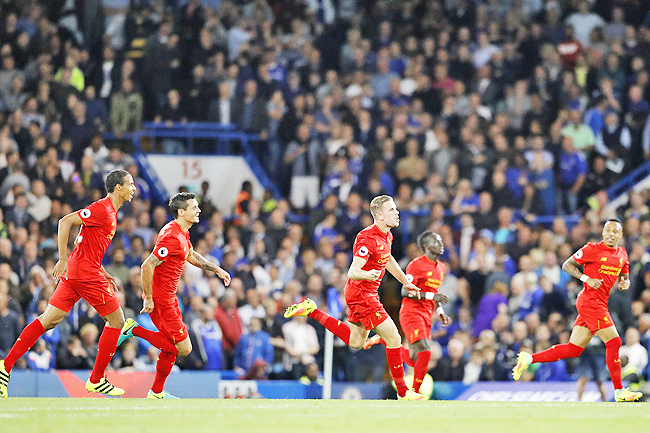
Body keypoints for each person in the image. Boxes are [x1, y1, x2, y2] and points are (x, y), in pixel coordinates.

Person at [0, 169, 137, 398]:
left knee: (48, 320)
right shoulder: (102, 209)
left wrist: (100, 268)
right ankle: (96, 379)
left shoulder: (110, 213)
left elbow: (83, 241)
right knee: (117, 321)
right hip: (84, 272)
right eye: (130, 184)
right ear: (118, 187)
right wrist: (62, 258)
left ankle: (5, 366)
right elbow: (65, 221)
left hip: (80, 270)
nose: (134, 188)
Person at [284, 195, 428, 400]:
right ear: (379, 215)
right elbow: (353, 271)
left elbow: (388, 260)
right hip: (363, 294)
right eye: (391, 210)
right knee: (395, 337)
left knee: (355, 342)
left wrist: (405, 281)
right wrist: (366, 274)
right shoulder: (367, 238)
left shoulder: (387, 235)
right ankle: (404, 393)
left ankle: (312, 310)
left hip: (362, 293)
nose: (396, 213)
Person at [513, 218, 643, 402]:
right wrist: (585, 278)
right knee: (614, 342)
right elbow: (567, 264)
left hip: (600, 303)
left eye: (615, 232)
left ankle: (528, 359)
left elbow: (625, 269)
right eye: (608, 231)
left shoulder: (622, 253)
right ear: (603, 232)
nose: (611, 234)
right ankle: (619, 390)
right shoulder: (592, 249)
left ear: (621, 235)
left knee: (573, 350)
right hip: (590, 301)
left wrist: (625, 281)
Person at [117, 192, 231, 399]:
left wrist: (216, 269)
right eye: (194, 207)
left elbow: (190, 255)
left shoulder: (181, 232)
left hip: (170, 299)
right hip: (161, 301)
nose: (198, 210)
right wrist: (150, 297)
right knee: (184, 348)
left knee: (171, 348)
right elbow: (147, 265)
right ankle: (134, 329)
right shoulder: (171, 236)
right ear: (181, 211)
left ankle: (156, 392)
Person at [363, 230, 451, 395]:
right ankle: (414, 393)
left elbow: (434, 291)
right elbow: (405, 291)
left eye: (441, 241)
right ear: (426, 246)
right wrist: (433, 296)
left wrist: (440, 311)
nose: (441, 244)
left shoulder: (441, 267)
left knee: (414, 358)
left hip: (426, 313)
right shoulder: (415, 265)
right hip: (412, 312)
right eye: (436, 241)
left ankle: (383, 341)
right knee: (425, 352)